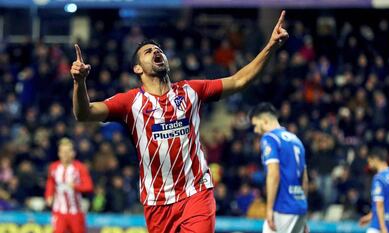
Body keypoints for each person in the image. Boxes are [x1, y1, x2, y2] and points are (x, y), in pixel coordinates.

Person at [70, 10, 289, 233]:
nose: (156, 51)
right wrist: (79, 82)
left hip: (196, 193)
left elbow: (239, 80)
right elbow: (84, 113)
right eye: (148, 51)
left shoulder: (191, 91)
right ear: (137, 68)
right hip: (157, 202)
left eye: (159, 50)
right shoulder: (130, 102)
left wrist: (271, 46)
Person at [250, 103, 308, 233]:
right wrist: (304, 212)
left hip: (283, 207)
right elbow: (304, 179)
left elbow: (273, 174)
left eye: (255, 125)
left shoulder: (270, 138)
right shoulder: (296, 140)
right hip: (300, 207)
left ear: (264, 120)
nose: (255, 130)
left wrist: (269, 209)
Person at [45, 138, 94, 233]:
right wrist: (49, 196)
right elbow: (50, 182)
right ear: (59, 153)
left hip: (75, 211)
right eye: (62, 152)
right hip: (59, 211)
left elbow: (89, 186)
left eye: (67, 152)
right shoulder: (54, 167)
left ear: (73, 153)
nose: (65, 155)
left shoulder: (80, 167)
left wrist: (75, 186)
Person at [359, 148, 389, 233]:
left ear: (376, 159)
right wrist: (370, 216)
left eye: (370, 161)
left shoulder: (379, 179)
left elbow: (380, 204)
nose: (369, 164)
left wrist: (382, 227)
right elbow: (388, 202)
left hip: (379, 225)